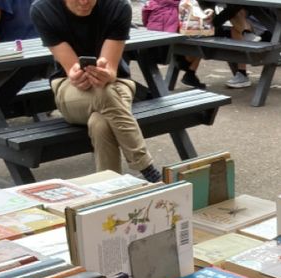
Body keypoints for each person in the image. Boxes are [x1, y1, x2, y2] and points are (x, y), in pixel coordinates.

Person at [30, 0, 162, 181]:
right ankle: (146, 167)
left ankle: (110, 190)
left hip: (116, 85)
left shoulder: (118, 6)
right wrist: (77, 75)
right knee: (103, 94)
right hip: (69, 86)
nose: (84, 2)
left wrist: (105, 74)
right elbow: (72, 69)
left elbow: (111, 70)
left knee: (100, 121)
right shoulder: (44, 9)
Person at [141, 0, 205, 89]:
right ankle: (189, 70)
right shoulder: (182, 6)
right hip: (169, 47)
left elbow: (145, 17)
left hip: (152, 43)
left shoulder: (152, 3)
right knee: (202, 39)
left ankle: (189, 71)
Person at [219, 4, 275, 89]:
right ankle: (242, 74)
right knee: (234, 14)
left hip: (269, 27)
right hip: (250, 23)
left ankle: (242, 74)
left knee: (234, 15)